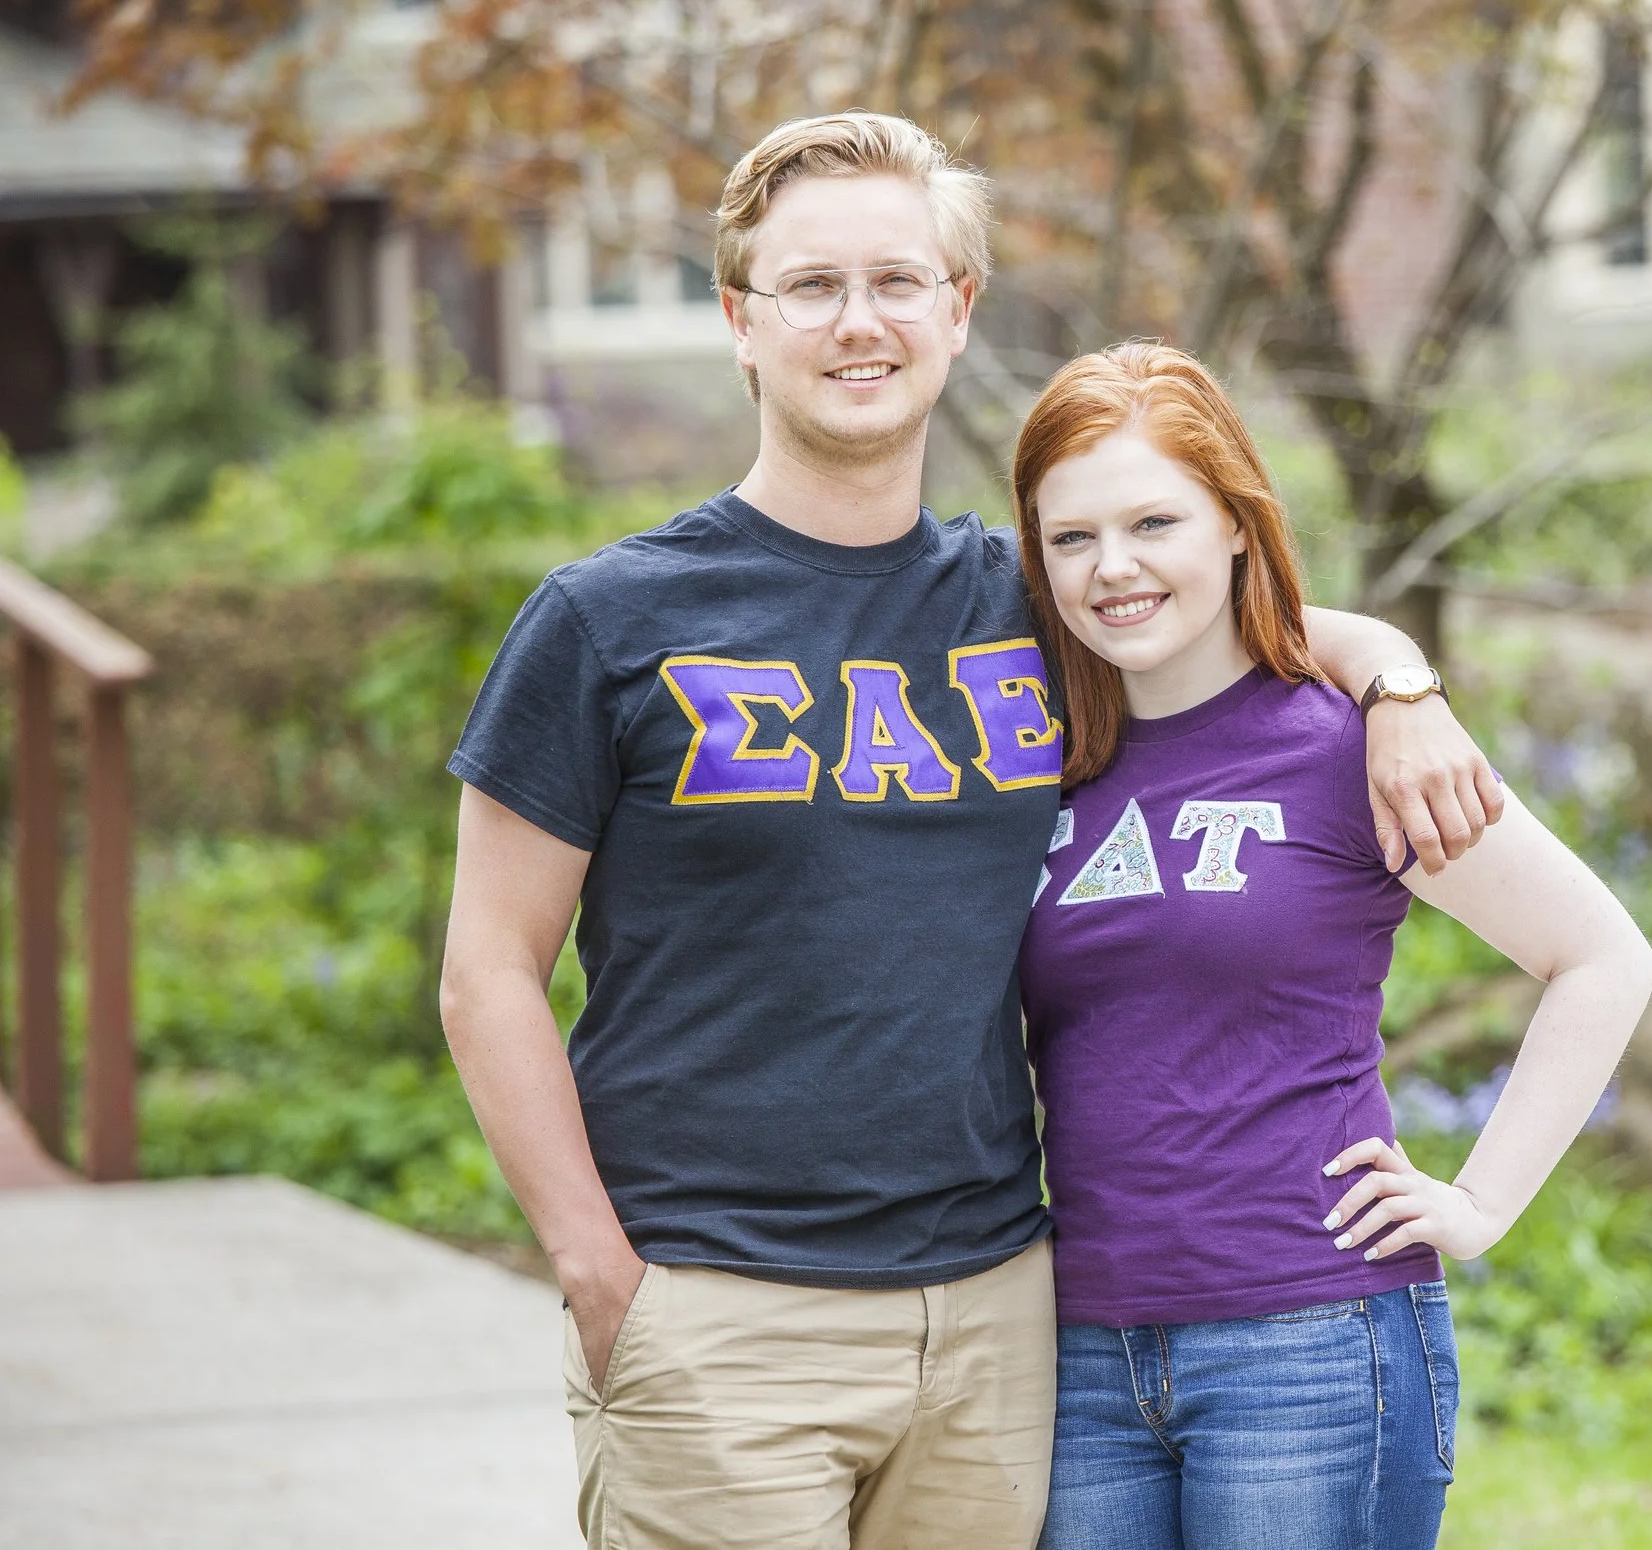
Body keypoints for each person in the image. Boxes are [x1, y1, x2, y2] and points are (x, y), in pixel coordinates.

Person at [437, 112, 1503, 1550]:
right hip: (723, 1310)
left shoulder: (1038, 597)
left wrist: (1397, 676)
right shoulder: (610, 619)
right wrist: (596, 1266)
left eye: (898, 280)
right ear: (741, 322)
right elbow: (489, 967)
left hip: (1001, 1315)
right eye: (811, 287)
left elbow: (1232, 604)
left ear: (959, 311)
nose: (858, 321)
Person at [1012, 342, 1652, 1549]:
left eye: (1156, 520)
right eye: (1072, 538)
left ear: (1238, 525)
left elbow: (1602, 955)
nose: (1116, 568)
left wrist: (1478, 1200)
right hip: (1080, 1354)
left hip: (1308, 1345)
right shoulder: (1033, 751)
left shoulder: (1346, 743)